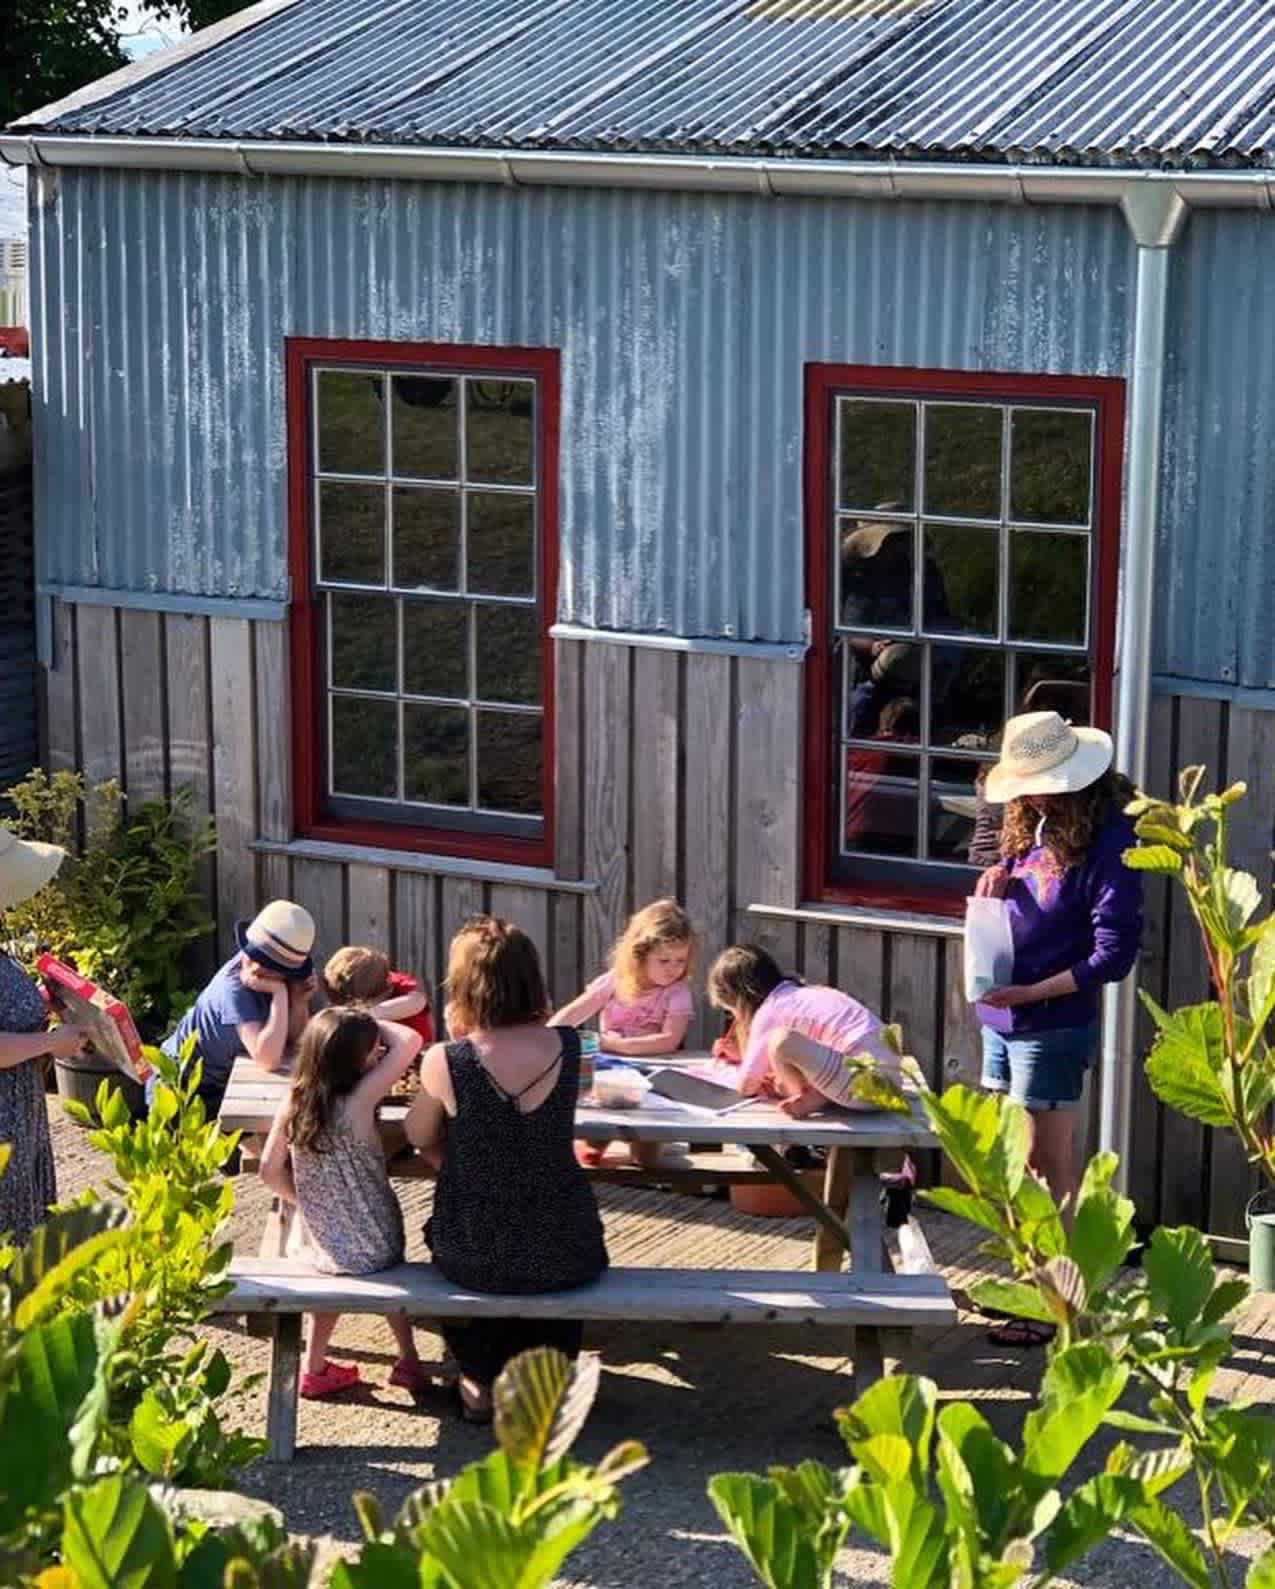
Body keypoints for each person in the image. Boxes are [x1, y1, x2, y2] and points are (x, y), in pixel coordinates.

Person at [973, 709, 1143, 1346]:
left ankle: (1062, 1307)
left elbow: (1111, 956)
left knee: (1050, 1163)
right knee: (1013, 1159)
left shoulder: (1110, 844)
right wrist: (993, 889)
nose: (1024, 795)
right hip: (1002, 1011)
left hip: (1052, 1021)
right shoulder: (1035, 821)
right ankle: (1032, 1286)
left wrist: (1032, 992)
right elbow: (1029, 900)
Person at [404, 917, 608, 1423]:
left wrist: (454, 1160)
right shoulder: (571, 1045)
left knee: (472, 1256)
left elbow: (417, 1135)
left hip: (475, 1243)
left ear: (465, 987)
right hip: (565, 1242)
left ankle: (478, 1379)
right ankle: (546, 1377)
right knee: (542, 1260)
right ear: (531, 980)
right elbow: (571, 1115)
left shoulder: (447, 1060)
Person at [258, 1006, 434, 1399]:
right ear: (353, 1061)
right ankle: (408, 1360)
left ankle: (314, 1367)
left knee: (334, 1268)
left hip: (316, 1244)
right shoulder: (359, 1099)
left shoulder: (295, 1100)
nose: (379, 1056)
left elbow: (268, 1171)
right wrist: (372, 1017)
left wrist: (305, 1204)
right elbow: (410, 1041)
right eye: (373, 1052)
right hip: (376, 1242)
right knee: (386, 1269)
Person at [550, 898, 695, 1168]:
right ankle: (592, 1148)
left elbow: (669, 1040)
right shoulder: (617, 980)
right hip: (610, 1074)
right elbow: (574, 1013)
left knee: (646, 1160)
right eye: (663, 960)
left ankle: (639, 1151)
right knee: (592, 1145)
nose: (673, 968)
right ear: (639, 954)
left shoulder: (677, 991)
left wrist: (615, 1045)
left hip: (653, 1077)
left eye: (681, 960)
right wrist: (547, 1039)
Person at [0, 825, 89, 1243]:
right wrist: (53, 1041)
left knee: (28, 1225)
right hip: (4, 1118)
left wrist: (41, 1001)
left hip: (22, 1108)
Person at [154, 901, 317, 1118]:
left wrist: (298, 1001)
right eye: (253, 954)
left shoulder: (277, 979)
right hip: (181, 1086)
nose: (256, 967)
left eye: (270, 966)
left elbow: (297, 1043)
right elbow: (268, 1059)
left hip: (218, 1085)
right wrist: (278, 993)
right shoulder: (233, 989)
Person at [706, 944, 902, 1117]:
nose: (735, 1021)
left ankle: (803, 1092)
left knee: (781, 1041)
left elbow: (746, 1086)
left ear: (741, 1003)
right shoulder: (802, 994)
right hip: (892, 1080)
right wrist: (742, 1055)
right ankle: (820, 1094)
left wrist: (776, 1084)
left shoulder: (769, 1012)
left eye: (731, 1012)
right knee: (786, 1049)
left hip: (863, 1084)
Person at [320, 946, 434, 1045]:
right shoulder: (348, 993)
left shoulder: (395, 985)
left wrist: (370, 1013)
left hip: (412, 1058)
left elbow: (418, 1001)